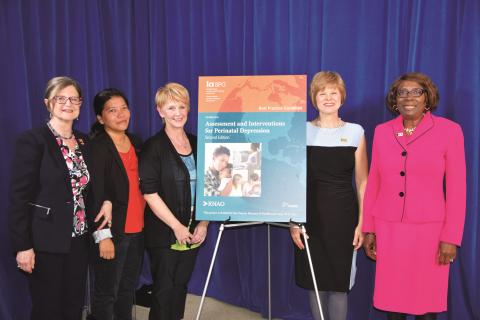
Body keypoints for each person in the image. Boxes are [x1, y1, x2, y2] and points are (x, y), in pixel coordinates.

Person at [362, 73, 466, 320]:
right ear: (394, 100)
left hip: (430, 232)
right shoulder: (382, 131)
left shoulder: (449, 130)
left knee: (426, 302)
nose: (408, 97)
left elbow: (457, 188)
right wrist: (370, 228)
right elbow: (373, 183)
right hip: (388, 227)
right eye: (402, 92)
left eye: (416, 92)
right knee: (392, 300)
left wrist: (451, 237)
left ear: (427, 98)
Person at [8, 76, 110, 320]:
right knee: (47, 309)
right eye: (60, 98)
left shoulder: (84, 141)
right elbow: (18, 198)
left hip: (78, 239)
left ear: (80, 104)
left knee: (73, 306)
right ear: (48, 103)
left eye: (74, 98)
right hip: (45, 242)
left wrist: (105, 200)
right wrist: (23, 247)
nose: (68, 103)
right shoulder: (32, 140)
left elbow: (90, 184)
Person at [290, 71, 368, 320]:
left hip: (343, 219)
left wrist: (362, 222)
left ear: (342, 97)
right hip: (308, 218)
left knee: (338, 282)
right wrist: (293, 221)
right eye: (322, 92)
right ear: (314, 98)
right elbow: (291, 179)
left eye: (334, 92)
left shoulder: (356, 132)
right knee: (316, 281)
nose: (328, 97)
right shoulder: (298, 131)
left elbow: (362, 180)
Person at [139, 83, 209, 320]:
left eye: (182, 106)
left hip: (194, 229)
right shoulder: (153, 146)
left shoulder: (199, 143)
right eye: (171, 107)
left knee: (180, 285)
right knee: (164, 288)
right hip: (164, 231)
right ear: (160, 111)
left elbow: (212, 187)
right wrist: (177, 227)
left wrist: (204, 223)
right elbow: (149, 193)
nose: (178, 113)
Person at [88, 89, 145, 320]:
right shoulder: (96, 147)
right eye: (112, 110)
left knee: (127, 290)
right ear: (101, 118)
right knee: (106, 294)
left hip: (138, 230)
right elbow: (93, 195)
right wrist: (104, 236)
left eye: (124, 107)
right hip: (113, 233)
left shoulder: (136, 142)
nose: (121, 114)